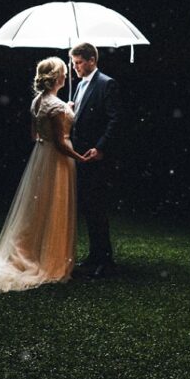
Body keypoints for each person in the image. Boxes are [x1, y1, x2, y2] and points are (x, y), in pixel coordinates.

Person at [0, 57, 88, 293]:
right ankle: (50, 258)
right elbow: (60, 143)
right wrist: (80, 157)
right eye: (64, 73)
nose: (66, 76)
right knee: (54, 206)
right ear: (56, 77)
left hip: (40, 157)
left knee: (39, 207)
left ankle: (34, 250)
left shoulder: (38, 101)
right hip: (56, 160)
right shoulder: (54, 105)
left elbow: (35, 135)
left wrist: (66, 111)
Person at [68, 42, 121, 279]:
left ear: (92, 60)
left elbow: (115, 120)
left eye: (78, 63)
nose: (75, 67)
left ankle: (105, 260)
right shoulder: (79, 85)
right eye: (73, 63)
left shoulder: (106, 84)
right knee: (88, 207)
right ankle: (94, 254)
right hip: (80, 156)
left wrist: (100, 148)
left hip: (96, 157)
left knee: (97, 207)